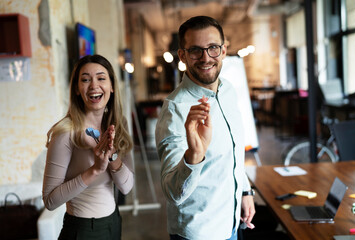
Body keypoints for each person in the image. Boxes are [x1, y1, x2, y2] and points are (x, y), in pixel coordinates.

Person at [155, 16, 255, 240]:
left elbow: (234, 150)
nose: (206, 58)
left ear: (224, 50)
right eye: (195, 50)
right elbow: (172, 193)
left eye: (213, 48)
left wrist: (245, 191)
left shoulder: (228, 90)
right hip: (199, 232)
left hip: (231, 223)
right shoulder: (175, 108)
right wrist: (195, 156)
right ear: (182, 55)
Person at [42, 54, 134, 240]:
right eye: (85, 80)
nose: (94, 86)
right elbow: (50, 201)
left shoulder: (118, 124)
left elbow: (126, 188)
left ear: (112, 87)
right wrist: (94, 170)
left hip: (114, 222)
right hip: (82, 230)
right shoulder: (66, 133)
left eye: (101, 78)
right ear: (77, 89)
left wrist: (112, 158)